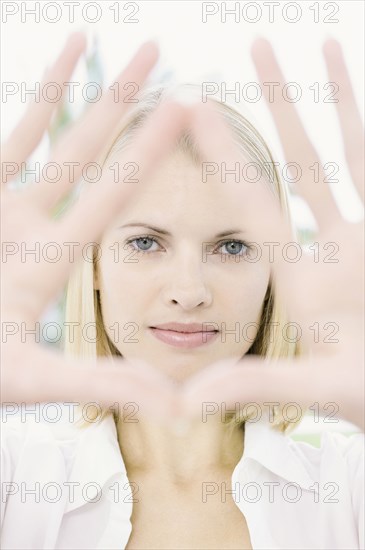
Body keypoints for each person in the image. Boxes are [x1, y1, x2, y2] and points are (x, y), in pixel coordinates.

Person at [1, 33, 364, 549]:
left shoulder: (347, 491)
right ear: (95, 263)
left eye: (232, 248)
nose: (189, 291)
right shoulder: (15, 483)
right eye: (146, 242)